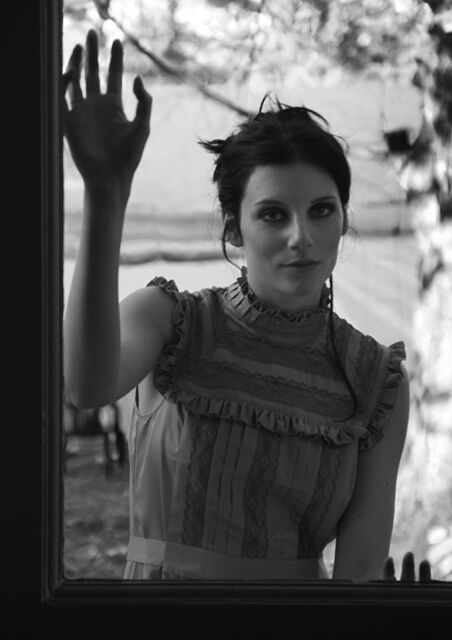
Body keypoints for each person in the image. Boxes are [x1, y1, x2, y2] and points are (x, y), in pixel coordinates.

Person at [63, 30, 425, 582]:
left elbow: (358, 576)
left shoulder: (376, 381)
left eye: (322, 210)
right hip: (153, 620)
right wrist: (104, 192)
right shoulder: (171, 321)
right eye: (273, 214)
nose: (302, 236)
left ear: (344, 218)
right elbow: (84, 387)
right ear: (234, 228)